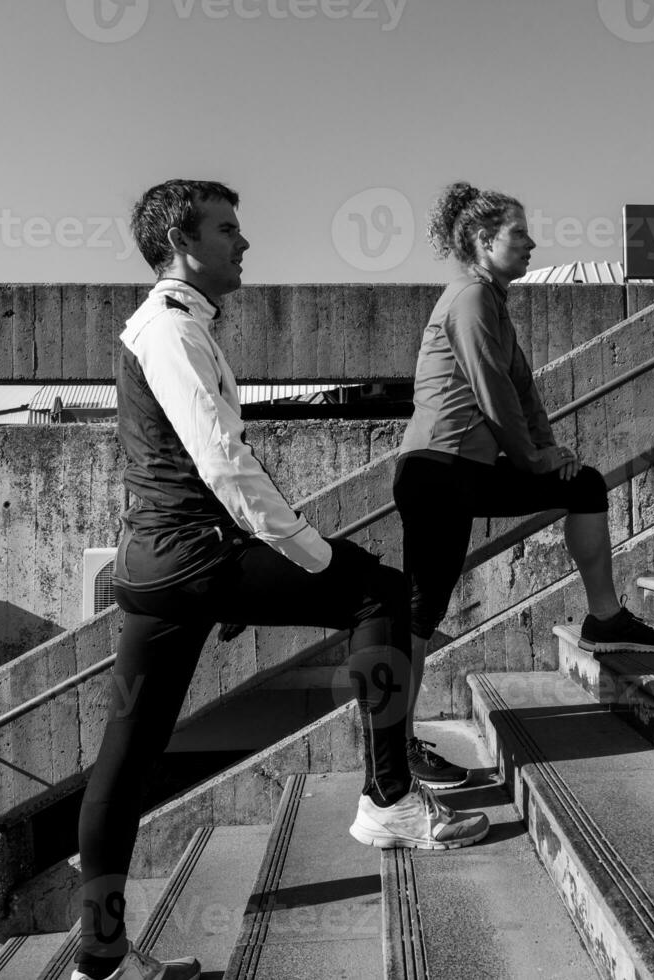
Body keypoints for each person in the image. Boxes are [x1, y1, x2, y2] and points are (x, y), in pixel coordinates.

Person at [73, 180, 487, 980]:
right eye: (229, 229)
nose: (245, 242)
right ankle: (389, 799)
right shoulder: (171, 331)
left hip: (161, 567)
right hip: (194, 556)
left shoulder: (169, 324)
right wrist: (306, 549)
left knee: (126, 755)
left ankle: (103, 958)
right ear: (182, 242)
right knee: (376, 590)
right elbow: (221, 460)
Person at [393, 182, 654, 789]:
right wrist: (532, 461)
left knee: (583, 486)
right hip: (438, 471)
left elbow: (522, 393)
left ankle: (604, 619)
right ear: (481, 241)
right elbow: (490, 392)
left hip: (467, 470)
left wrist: (553, 456)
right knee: (421, 612)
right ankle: (395, 746)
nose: (531, 243)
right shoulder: (470, 298)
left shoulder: (494, 303)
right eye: (518, 233)